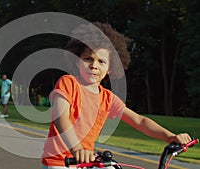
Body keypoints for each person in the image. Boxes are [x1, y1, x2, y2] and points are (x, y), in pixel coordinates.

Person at [41, 22, 191, 169]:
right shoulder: (68, 83)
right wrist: (78, 149)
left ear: (110, 68)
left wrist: (170, 137)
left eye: (101, 61)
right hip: (60, 161)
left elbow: (139, 121)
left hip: (87, 162)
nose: (94, 65)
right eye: (88, 59)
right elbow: (61, 119)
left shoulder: (107, 98)